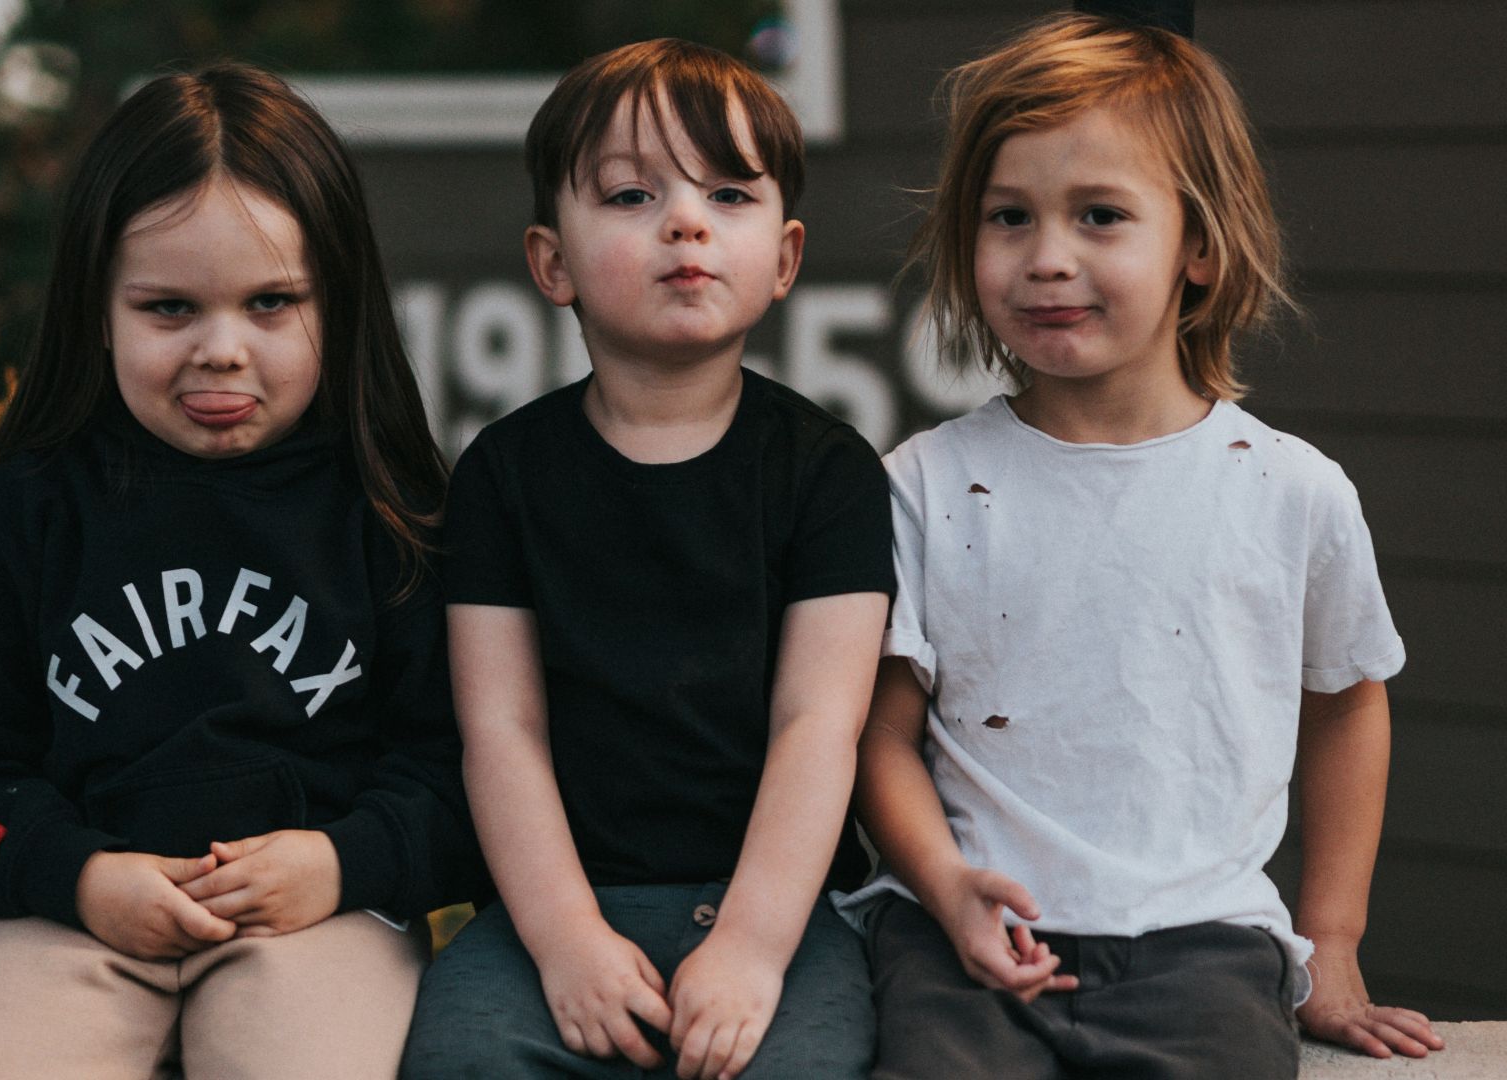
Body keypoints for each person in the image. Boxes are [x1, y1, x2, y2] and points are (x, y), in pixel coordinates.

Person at [838, 13, 1446, 1077]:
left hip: (1201, 941)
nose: (1047, 259)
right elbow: (880, 737)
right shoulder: (924, 484)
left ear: (1200, 248)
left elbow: (1348, 703)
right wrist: (943, 885)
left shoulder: (1290, 491)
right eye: (1010, 217)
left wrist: (1333, 947)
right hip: (961, 933)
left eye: (1101, 215)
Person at [0, 63, 480, 1080]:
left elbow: (467, 772)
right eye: (168, 308)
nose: (221, 349)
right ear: (96, 307)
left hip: (323, 920)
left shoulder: (393, 512)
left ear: (337, 302)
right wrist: (73, 875)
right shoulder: (33, 508)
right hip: (72, 919)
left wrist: (341, 862)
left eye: (271, 303)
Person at [400, 38, 894, 1080]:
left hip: (779, 908)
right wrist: (566, 941)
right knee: (461, 1059)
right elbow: (502, 729)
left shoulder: (828, 472)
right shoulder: (503, 475)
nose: (685, 222)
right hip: (556, 905)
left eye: (727, 193)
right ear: (551, 263)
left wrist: (754, 951)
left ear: (787, 258)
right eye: (631, 195)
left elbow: (819, 725)